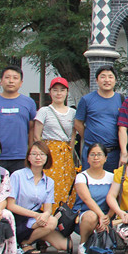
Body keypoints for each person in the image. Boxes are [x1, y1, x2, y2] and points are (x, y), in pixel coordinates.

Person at [7, 141, 71, 254]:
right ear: (28, 157)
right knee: (51, 222)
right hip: (19, 218)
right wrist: (36, 215)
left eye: (42, 154)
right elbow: (10, 205)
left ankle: (36, 238)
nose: (38, 157)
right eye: (34, 154)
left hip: (36, 220)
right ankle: (25, 244)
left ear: (47, 157)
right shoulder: (17, 175)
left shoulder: (49, 182)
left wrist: (45, 215)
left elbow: (48, 208)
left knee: (67, 246)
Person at [0, 66, 37, 173]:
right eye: (7, 77)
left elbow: (32, 129)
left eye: (15, 78)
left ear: (21, 83)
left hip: (20, 156)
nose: (11, 81)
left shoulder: (29, 102)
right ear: (1, 81)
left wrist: (31, 151)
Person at [33, 77, 76, 207]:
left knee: (67, 182)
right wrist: (42, 154)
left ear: (67, 92)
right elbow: (37, 136)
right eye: (55, 90)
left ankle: (64, 213)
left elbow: (73, 136)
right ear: (50, 92)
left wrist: (70, 152)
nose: (59, 93)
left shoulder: (73, 113)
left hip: (65, 153)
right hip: (49, 152)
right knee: (49, 182)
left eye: (62, 90)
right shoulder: (44, 111)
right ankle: (47, 210)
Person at [75, 66, 124, 171]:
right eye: (103, 77)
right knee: (90, 179)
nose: (107, 80)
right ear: (97, 80)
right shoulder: (86, 99)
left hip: (113, 152)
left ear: (115, 80)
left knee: (113, 180)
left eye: (110, 77)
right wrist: (89, 137)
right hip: (92, 151)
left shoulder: (121, 99)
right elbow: (78, 123)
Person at [73, 143, 115, 254]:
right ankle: (83, 243)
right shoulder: (82, 177)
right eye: (92, 155)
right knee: (91, 216)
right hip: (86, 215)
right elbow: (87, 199)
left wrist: (107, 217)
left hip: (106, 216)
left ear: (105, 158)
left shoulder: (112, 177)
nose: (96, 158)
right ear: (87, 158)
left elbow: (115, 199)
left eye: (99, 154)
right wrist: (101, 216)